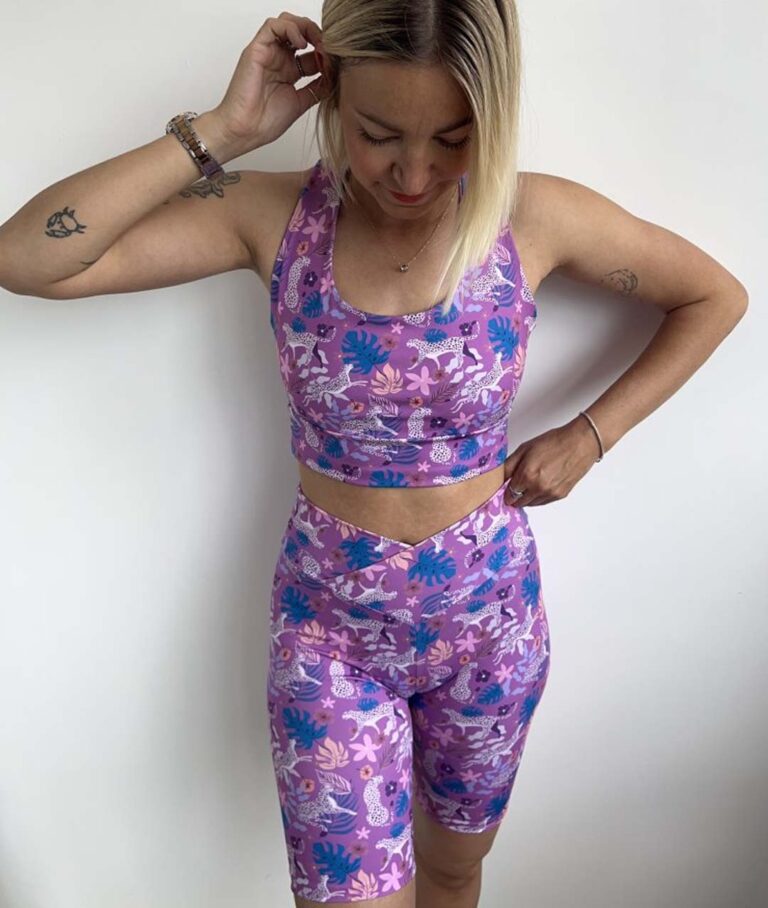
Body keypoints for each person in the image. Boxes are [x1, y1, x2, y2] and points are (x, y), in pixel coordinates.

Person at [0, 3, 749, 907]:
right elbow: (27, 259)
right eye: (381, 134)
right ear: (333, 93)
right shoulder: (274, 216)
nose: (415, 172)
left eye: (454, 137)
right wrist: (223, 131)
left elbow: (714, 296)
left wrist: (591, 436)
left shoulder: (532, 217)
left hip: (490, 628)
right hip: (330, 638)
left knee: (454, 870)